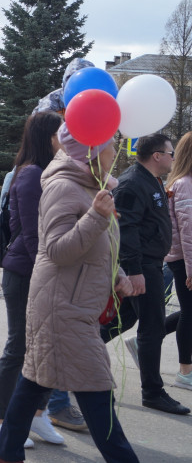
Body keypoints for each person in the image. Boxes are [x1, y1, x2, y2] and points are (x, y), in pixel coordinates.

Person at [0, 125, 139, 463]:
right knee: (98, 393)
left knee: (33, 382)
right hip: (64, 308)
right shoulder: (62, 186)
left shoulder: (91, 186)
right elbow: (57, 249)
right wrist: (96, 216)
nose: (114, 150)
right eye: (109, 144)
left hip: (72, 305)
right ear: (90, 151)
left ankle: (6, 454)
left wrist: (117, 274)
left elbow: (97, 247)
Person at [0, 112, 75, 448]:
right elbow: (32, 235)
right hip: (26, 273)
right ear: (47, 138)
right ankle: (1, 420)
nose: (66, 140)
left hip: (43, 272)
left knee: (47, 349)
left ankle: (38, 416)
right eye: (61, 134)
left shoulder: (50, 173)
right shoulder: (30, 176)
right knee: (19, 347)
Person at [100, 133, 191, 415]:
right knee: (151, 327)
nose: (173, 158)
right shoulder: (132, 183)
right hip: (143, 266)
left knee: (124, 319)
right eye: (170, 153)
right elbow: (126, 230)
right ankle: (152, 391)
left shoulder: (151, 180)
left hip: (150, 263)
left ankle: (80, 347)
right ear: (157, 156)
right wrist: (135, 271)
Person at [164, 131, 192, 390]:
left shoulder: (183, 182)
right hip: (184, 259)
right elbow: (189, 232)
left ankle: (147, 338)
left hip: (183, 258)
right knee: (190, 312)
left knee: (189, 311)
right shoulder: (184, 183)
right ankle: (185, 372)